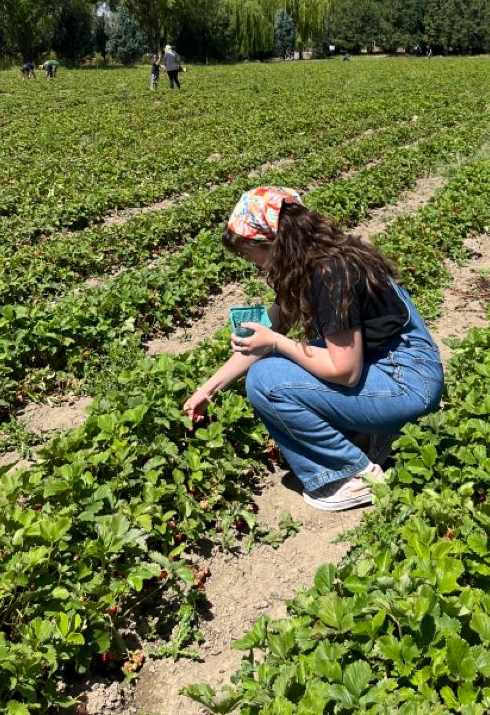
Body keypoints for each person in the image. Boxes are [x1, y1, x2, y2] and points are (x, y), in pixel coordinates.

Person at [183, 186, 444, 512]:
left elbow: (344, 372)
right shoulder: (317, 261)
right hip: (400, 370)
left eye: (251, 256)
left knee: (267, 378)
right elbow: (265, 336)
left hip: (405, 382)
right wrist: (206, 391)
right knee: (287, 358)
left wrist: (276, 342)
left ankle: (353, 477)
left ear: (272, 243)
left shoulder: (332, 274)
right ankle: (375, 437)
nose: (255, 267)